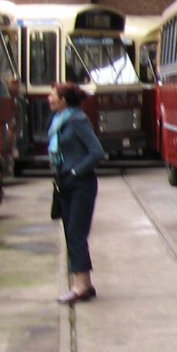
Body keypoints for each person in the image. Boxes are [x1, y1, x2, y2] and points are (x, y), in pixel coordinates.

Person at [47, 82, 105, 305]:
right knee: (71, 233)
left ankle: (79, 286)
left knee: (76, 234)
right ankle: (86, 284)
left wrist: (76, 170)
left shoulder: (77, 120)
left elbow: (97, 152)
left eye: (53, 95)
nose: (49, 98)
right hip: (64, 184)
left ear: (63, 100)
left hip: (81, 185)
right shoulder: (57, 120)